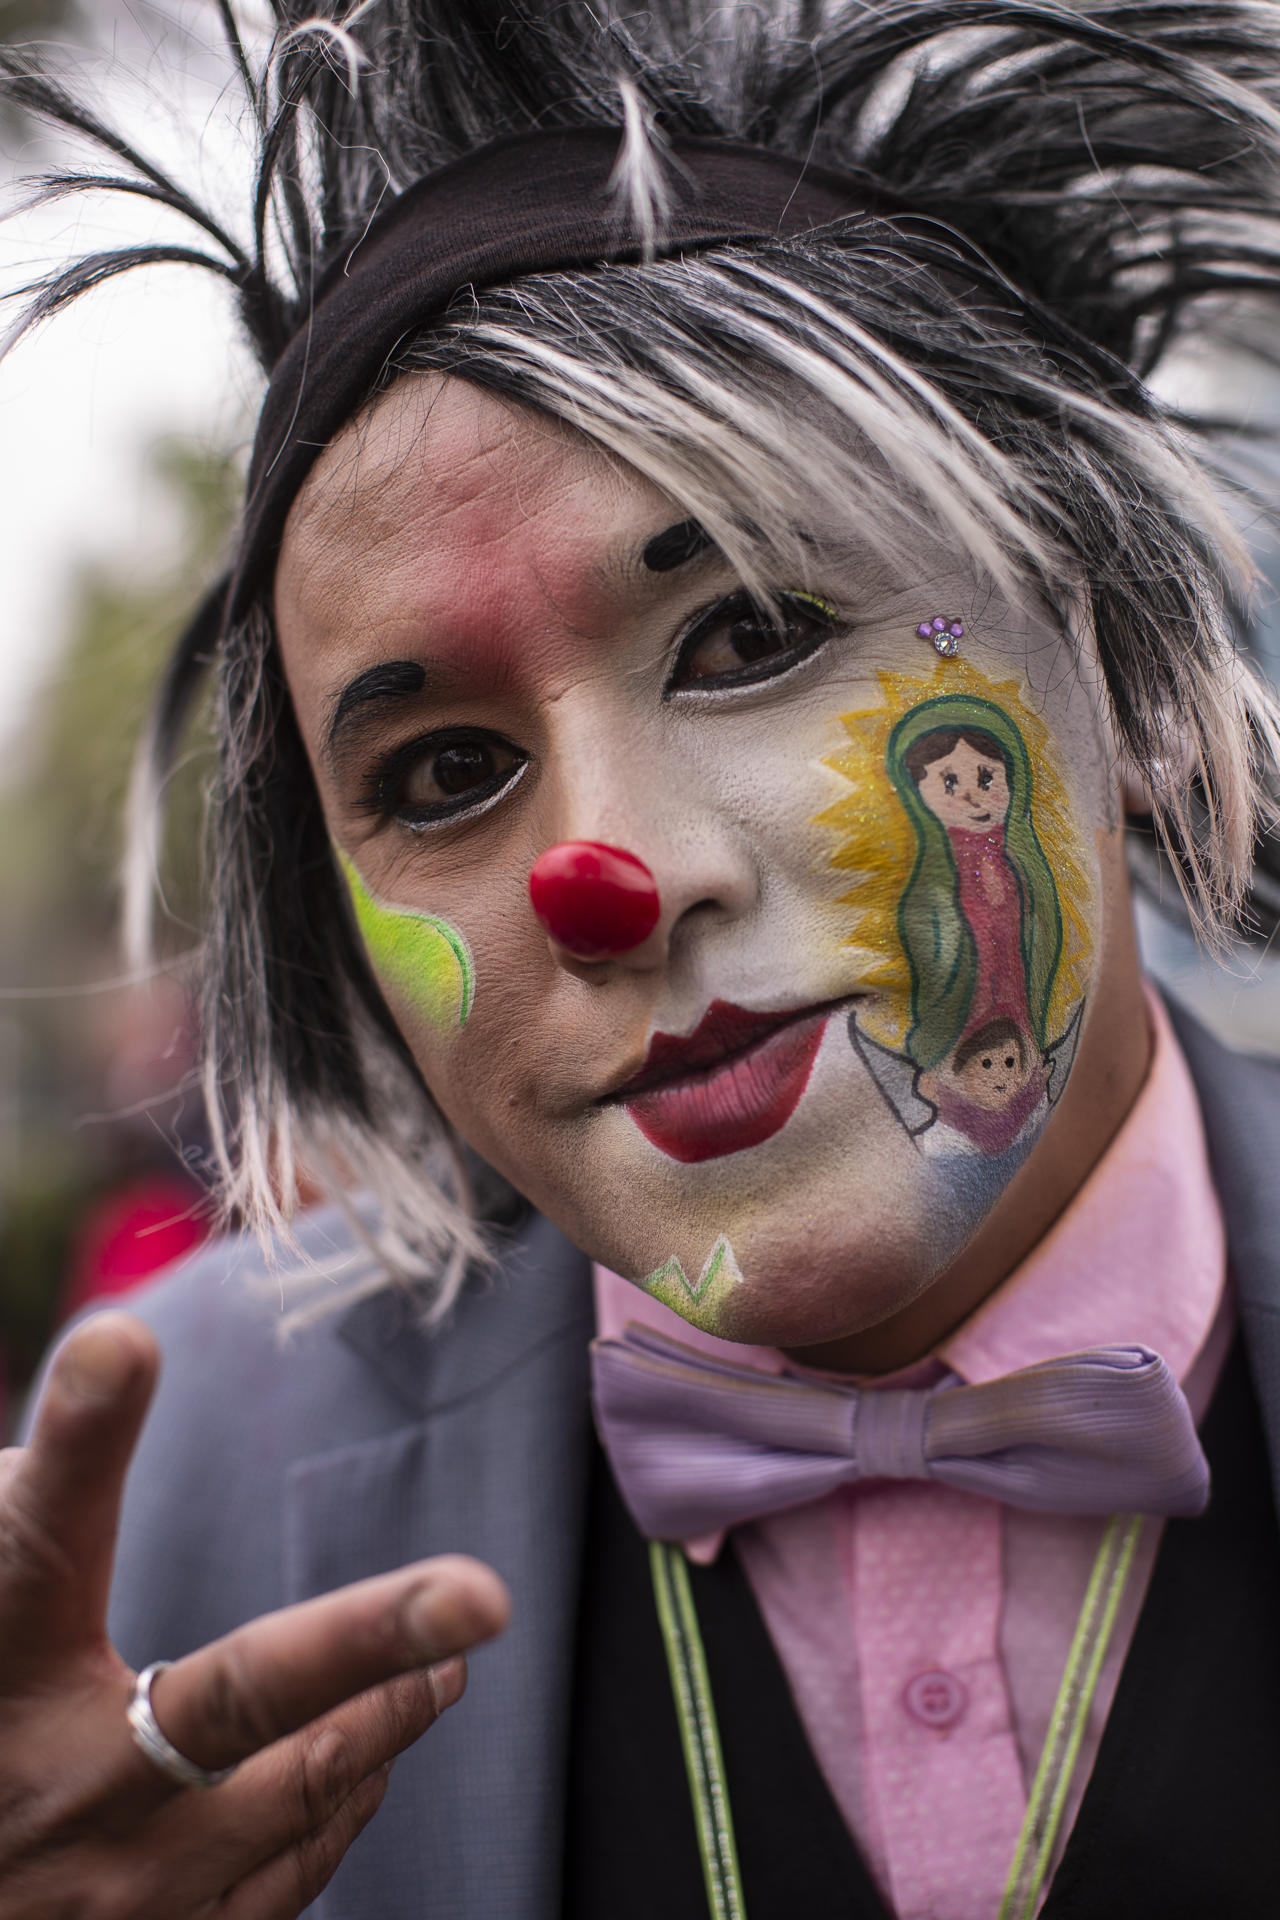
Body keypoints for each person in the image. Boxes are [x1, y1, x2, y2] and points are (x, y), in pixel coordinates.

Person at [4, 3, 1280, 1915]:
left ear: (1114, 648)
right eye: (443, 772)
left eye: (754, 627)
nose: (618, 876)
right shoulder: (154, 1523)